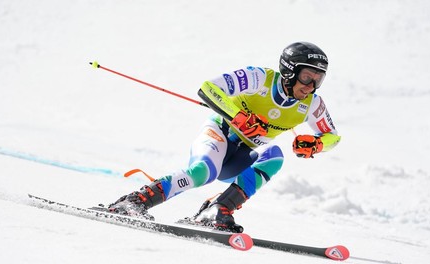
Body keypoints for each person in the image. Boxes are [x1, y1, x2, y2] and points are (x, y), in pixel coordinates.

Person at [108, 41, 341, 233]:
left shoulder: (312, 104)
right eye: (307, 77)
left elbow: (333, 136)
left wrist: (318, 144)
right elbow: (208, 88)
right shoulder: (259, 78)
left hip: (240, 157)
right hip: (220, 133)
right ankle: (135, 201)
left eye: (318, 80)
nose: (311, 86)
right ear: (290, 71)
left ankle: (217, 209)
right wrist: (238, 116)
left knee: (275, 156)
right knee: (203, 173)